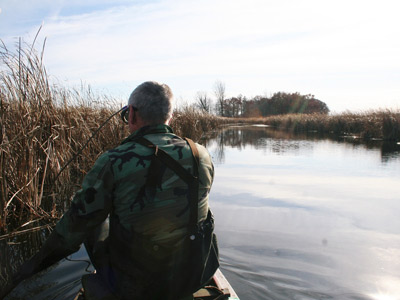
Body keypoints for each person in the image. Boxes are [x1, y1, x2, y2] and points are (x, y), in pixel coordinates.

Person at [2, 81, 218, 300]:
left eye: (126, 115)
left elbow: (73, 229)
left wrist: (31, 267)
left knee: (94, 222)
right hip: (193, 274)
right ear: (169, 117)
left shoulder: (113, 161)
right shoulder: (200, 154)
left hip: (138, 283)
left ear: (131, 114)